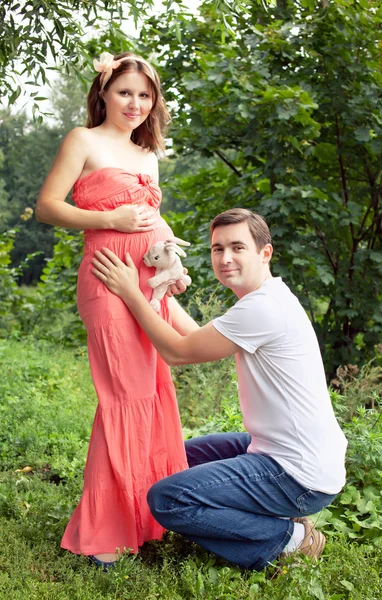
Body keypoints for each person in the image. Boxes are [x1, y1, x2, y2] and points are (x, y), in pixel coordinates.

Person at [91, 208, 348, 571]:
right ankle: (270, 519)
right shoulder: (263, 300)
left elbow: (178, 352)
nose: (225, 258)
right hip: (281, 451)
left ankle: (286, 540)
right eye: (217, 249)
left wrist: (130, 292)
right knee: (171, 459)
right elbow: (197, 337)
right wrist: (160, 292)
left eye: (237, 247)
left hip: (298, 473)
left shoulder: (264, 309)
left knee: (168, 498)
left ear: (265, 253)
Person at [35, 51, 197, 569]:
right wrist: (110, 218)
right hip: (108, 278)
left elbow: (152, 221)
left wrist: (172, 263)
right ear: (104, 91)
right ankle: (105, 529)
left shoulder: (148, 154)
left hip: (148, 282)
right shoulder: (82, 141)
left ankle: (151, 516)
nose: (135, 103)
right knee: (122, 397)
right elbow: (48, 207)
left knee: (153, 391)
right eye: (125, 91)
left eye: (145, 96)